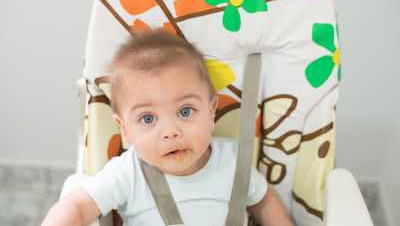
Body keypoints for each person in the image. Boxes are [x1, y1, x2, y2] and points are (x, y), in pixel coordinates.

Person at [42, 30, 293, 226]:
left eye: (185, 111)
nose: (170, 131)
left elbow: (263, 202)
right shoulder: (128, 173)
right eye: (148, 118)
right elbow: (75, 206)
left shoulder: (233, 161)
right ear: (124, 130)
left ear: (211, 111)